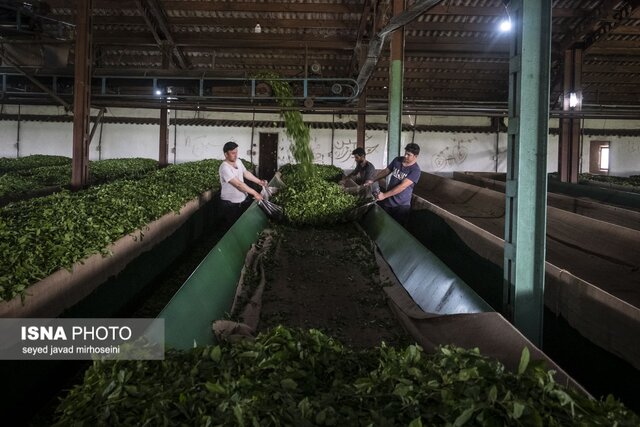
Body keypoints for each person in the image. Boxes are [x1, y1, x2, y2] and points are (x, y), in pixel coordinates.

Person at [219, 141, 267, 227]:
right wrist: (255, 193)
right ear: (226, 154)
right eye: (233, 153)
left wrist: (259, 182)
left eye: (236, 152)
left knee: (244, 223)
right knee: (234, 227)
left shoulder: (238, 161)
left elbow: (246, 173)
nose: (236, 155)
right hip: (231, 204)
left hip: (243, 200)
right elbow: (238, 185)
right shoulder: (224, 168)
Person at [374, 143, 421, 226]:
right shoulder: (397, 160)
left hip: (401, 205)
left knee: (397, 227)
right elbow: (386, 171)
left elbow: (402, 187)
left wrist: (384, 195)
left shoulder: (415, 170)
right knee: (384, 224)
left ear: (415, 156)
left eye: (409, 155)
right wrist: (373, 180)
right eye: (405, 153)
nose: (405, 156)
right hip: (389, 200)